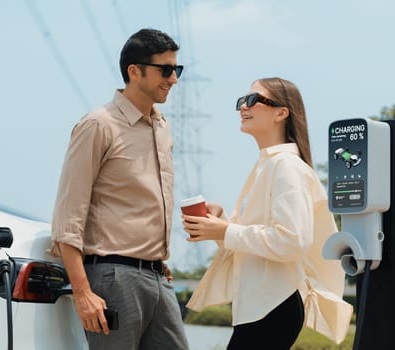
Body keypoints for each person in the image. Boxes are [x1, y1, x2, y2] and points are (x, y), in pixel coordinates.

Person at [183, 77, 353, 349]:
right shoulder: (270, 165)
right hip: (262, 305)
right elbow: (258, 241)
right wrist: (221, 225)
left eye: (252, 100)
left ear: (281, 112)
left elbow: (292, 240)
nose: (243, 107)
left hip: (273, 304)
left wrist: (226, 231)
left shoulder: (285, 167)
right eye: (241, 101)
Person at [50, 28, 189, 350]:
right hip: (113, 278)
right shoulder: (99, 124)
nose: (173, 79)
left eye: (176, 69)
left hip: (157, 275)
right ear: (134, 71)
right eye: (166, 70)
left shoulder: (161, 127)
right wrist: (83, 292)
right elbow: (68, 214)